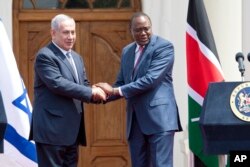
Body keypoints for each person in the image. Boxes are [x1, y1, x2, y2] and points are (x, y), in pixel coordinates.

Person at [96, 12, 182, 167]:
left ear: (151, 28)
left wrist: (115, 91)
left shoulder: (164, 47)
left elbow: (150, 80)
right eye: (138, 30)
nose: (143, 33)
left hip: (159, 121)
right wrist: (101, 95)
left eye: (146, 29)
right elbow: (121, 82)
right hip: (135, 122)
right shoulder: (127, 51)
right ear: (131, 31)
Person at [29, 14, 106, 167]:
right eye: (66, 32)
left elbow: (83, 85)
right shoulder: (45, 56)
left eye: (73, 32)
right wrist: (91, 92)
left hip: (72, 133)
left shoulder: (76, 58)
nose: (71, 36)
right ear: (53, 33)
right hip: (51, 132)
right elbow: (58, 84)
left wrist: (102, 92)